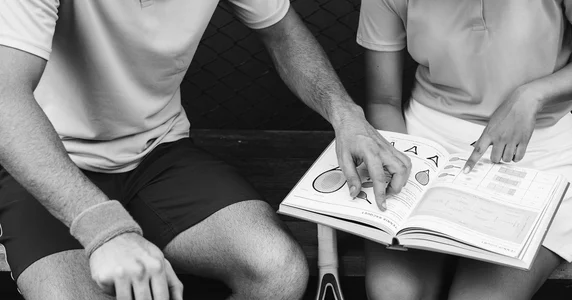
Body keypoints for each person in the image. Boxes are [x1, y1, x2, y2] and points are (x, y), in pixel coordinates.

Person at [0, 1, 411, 299]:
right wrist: (104, 229)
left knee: (277, 270)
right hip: (52, 166)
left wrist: (346, 115)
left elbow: (283, 32)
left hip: (158, 152)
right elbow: (5, 101)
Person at [357, 0, 572, 299]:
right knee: (393, 293)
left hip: (534, 151)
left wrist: (532, 96)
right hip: (424, 149)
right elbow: (384, 102)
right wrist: (402, 163)